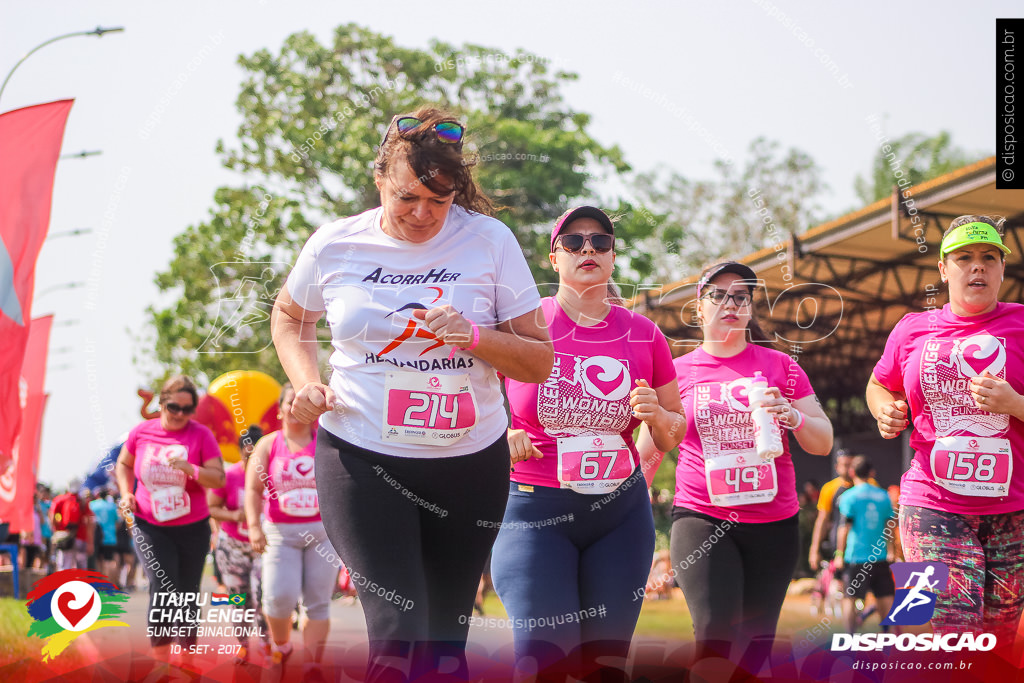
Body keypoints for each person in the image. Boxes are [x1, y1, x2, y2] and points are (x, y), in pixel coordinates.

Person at [272, 107, 552, 682]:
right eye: (406, 198)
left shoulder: (489, 241)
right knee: (398, 632)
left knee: (447, 641)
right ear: (379, 180)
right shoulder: (335, 244)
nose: (423, 214)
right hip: (361, 456)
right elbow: (288, 316)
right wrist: (307, 384)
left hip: (469, 461)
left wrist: (475, 336)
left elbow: (539, 360)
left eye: (439, 201)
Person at [491, 206, 684, 678]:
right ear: (553, 259)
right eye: (573, 243)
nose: (588, 250)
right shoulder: (521, 326)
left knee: (606, 668)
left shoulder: (644, 335)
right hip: (534, 509)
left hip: (619, 514)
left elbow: (675, 427)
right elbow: (471, 404)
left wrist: (658, 416)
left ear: (614, 257)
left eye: (600, 241)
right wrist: (503, 433)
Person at [641, 261, 833, 675]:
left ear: (750, 306)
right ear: (698, 308)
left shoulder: (781, 366)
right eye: (719, 295)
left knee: (756, 648)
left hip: (774, 524)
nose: (731, 303)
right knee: (713, 634)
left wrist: (794, 417)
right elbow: (650, 451)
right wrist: (627, 509)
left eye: (741, 296)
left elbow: (823, 441)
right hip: (701, 517)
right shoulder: (675, 373)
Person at [867, 215, 1024, 647]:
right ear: (943, 268)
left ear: (1002, 268)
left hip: (1013, 508)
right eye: (964, 258)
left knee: (1000, 636)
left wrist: (1015, 405)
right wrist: (886, 410)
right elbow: (879, 383)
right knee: (957, 629)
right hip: (934, 501)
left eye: (989, 258)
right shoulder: (912, 328)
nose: (978, 267)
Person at [115, 375, 225, 667]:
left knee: (187, 592)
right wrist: (127, 493)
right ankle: (161, 660)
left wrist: (192, 469)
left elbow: (218, 477)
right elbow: (124, 464)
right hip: (150, 524)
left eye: (187, 410)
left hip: (192, 527)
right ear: (162, 402)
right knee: (164, 587)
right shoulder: (141, 432)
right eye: (174, 407)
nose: (180, 415)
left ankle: (188, 660)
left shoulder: (201, 435)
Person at [244, 390, 331, 682]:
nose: (295, 408)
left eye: (300, 402)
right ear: (280, 411)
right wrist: (254, 527)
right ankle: (281, 647)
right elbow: (253, 490)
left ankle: (312, 665)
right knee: (279, 596)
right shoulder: (268, 445)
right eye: (289, 403)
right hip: (280, 533)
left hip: (323, 534)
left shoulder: (327, 443)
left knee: (318, 602)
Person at [209, 426, 269, 666]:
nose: (251, 460)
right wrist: (236, 516)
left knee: (262, 596)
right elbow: (211, 508)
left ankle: (266, 643)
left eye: (256, 455)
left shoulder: (271, 475)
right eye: (247, 455)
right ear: (240, 452)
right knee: (239, 599)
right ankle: (242, 646)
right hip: (233, 547)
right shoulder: (230, 476)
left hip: (264, 547)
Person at [834, 456, 896, 633]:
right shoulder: (884, 495)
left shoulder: (848, 497)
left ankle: (849, 637)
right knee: (885, 597)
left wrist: (839, 554)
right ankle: (887, 637)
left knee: (850, 598)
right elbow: (889, 526)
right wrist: (891, 550)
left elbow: (843, 528)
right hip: (881, 556)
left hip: (856, 557)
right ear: (871, 473)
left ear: (852, 472)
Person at [808, 450, 853, 571]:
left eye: (851, 465)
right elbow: (822, 520)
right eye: (845, 465)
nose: (848, 469)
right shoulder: (830, 488)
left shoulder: (866, 485)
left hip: (864, 546)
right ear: (837, 467)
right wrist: (814, 550)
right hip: (838, 546)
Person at [89, 488, 120, 583]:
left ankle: (101, 583)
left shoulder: (92, 505)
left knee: (98, 561)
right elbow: (118, 522)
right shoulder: (112, 506)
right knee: (109, 561)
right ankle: (110, 583)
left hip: (96, 537)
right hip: (110, 537)